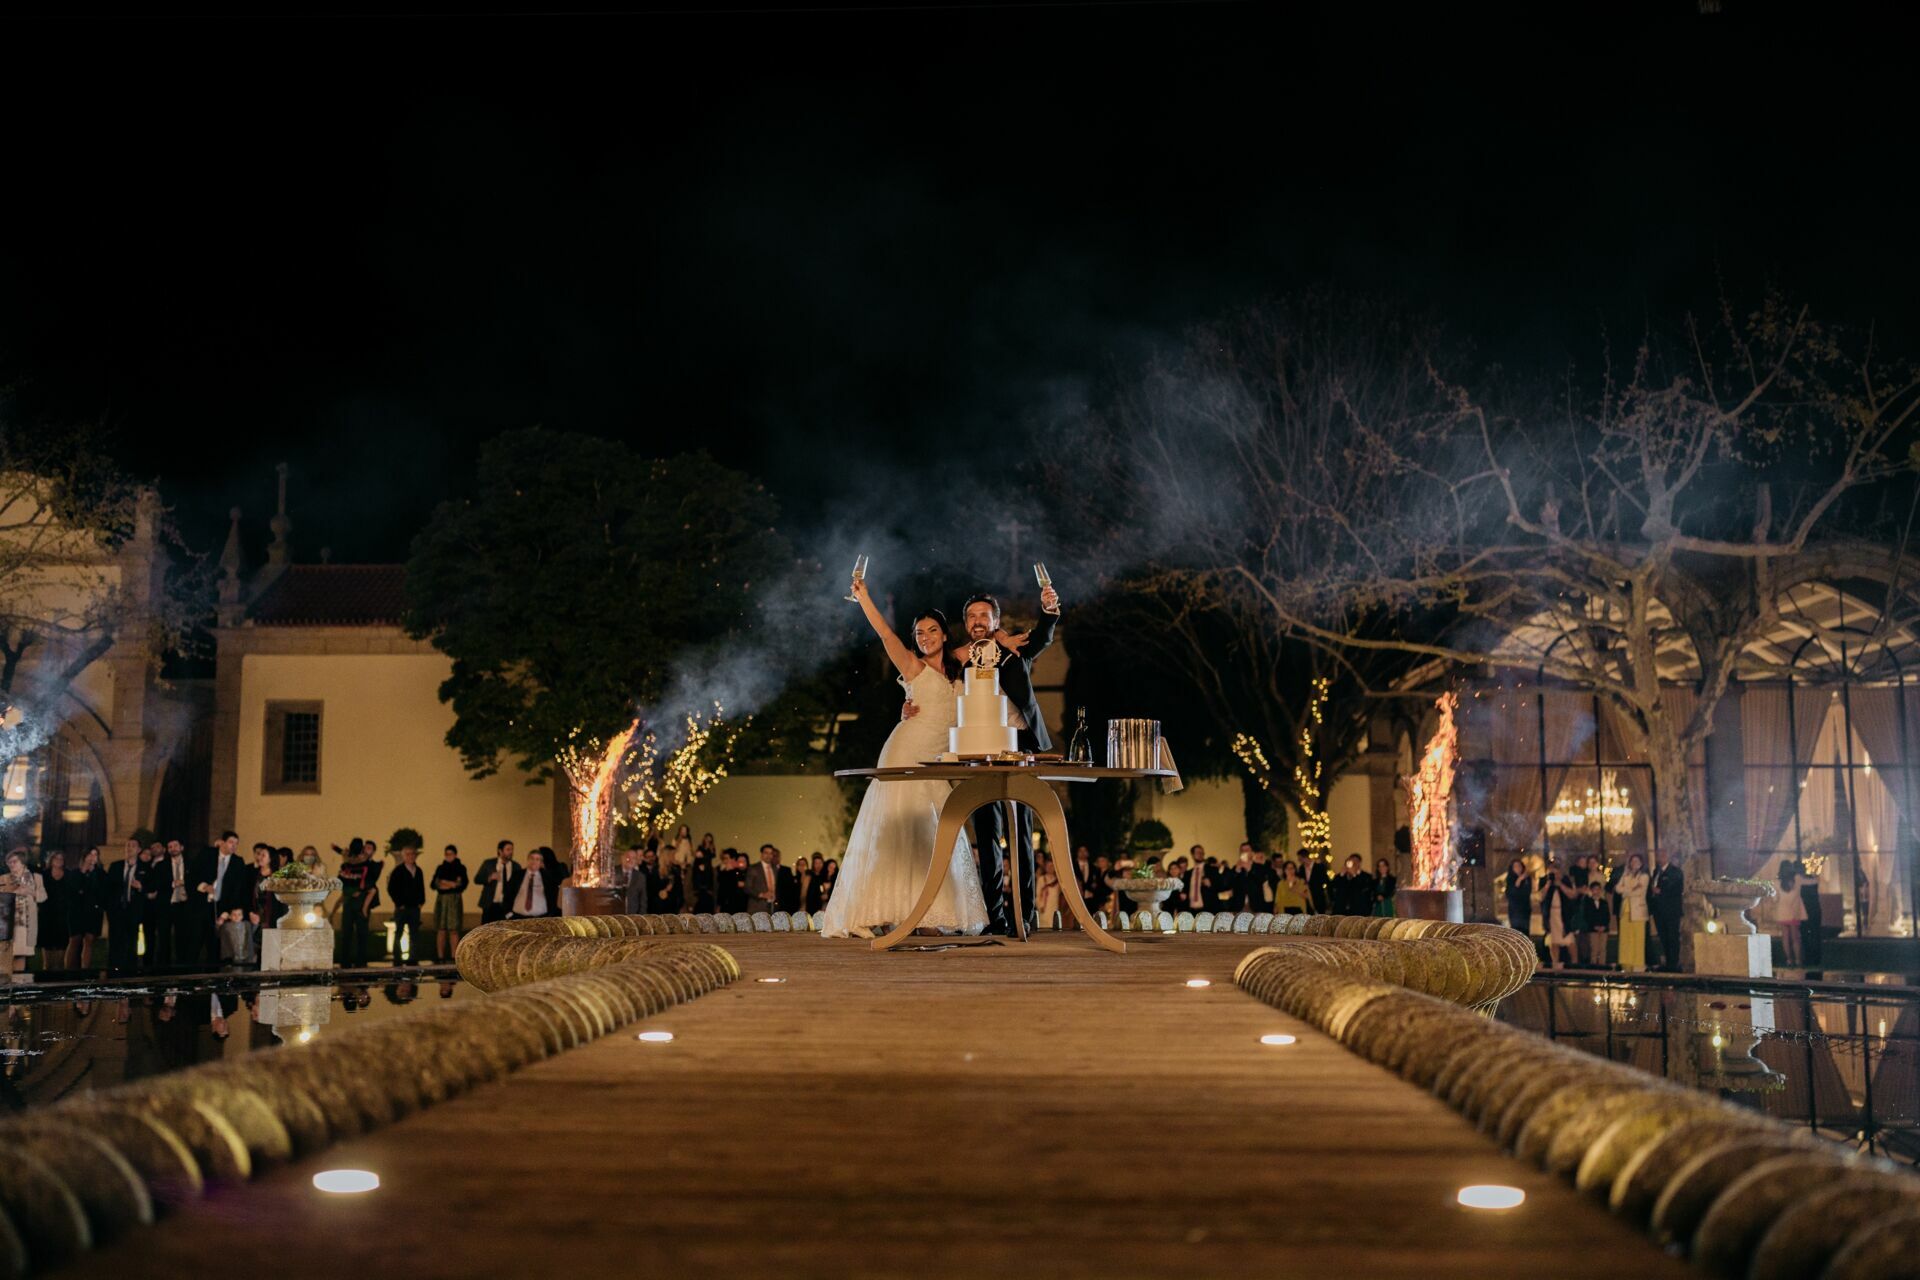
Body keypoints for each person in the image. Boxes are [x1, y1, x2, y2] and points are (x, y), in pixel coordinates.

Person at [823, 582, 989, 939]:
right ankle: (883, 911)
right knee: (898, 832)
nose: (926, 637)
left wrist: (1009, 637)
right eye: (919, 633)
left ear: (945, 634)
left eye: (932, 631)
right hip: (906, 751)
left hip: (937, 760)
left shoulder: (958, 663)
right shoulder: (913, 666)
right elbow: (884, 634)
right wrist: (864, 597)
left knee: (934, 834)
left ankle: (928, 913)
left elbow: (989, 641)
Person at [904, 585, 1059, 937]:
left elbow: (1043, 638)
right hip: (977, 748)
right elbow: (926, 680)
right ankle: (995, 915)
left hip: (1019, 745)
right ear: (965, 622)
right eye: (971, 616)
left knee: (1020, 830)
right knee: (988, 832)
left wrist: (1049, 611)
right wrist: (908, 704)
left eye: (984, 616)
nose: (977, 621)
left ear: (996, 620)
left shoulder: (1013, 649)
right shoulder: (959, 660)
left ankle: (1025, 914)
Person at [335, 839, 382, 966]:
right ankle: (346, 961)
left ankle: (360, 961)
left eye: (368, 848)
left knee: (360, 932)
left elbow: (370, 881)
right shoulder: (350, 865)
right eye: (364, 848)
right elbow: (342, 880)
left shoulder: (371, 865)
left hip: (360, 900)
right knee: (348, 932)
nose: (365, 851)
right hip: (352, 901)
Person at [105, 838, 146, 972]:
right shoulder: (115, 866)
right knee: (115, 942)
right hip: (117, 911)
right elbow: (108, 889)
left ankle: (130, 971)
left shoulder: (144, 868)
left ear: (139, 850)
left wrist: (140, 887)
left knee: (132, 942)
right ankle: (113, 971)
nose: (129, 848)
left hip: (133, 911)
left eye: (133, 846)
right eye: (127, 845)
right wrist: (110, 909)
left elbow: (151, 887)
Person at [5, 850, 48, 973]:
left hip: (26, 925)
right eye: (9, 862)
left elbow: (43, 896)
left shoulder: (36, 878)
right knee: (6, 956)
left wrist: (30, 891)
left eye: (14, 861)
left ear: (22, 862)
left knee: (20, 955)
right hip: (8, 924)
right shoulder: (4, 879)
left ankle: (17, 984)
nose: (11, 864)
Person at [65, 846, 107, 970]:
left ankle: (85, 970)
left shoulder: (100, 873)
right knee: (74, 940)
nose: (93, 857)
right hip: (76, 911)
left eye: (95, 854)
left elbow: (102, 891)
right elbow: (72, 891)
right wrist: (83, 871)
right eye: (90, 854)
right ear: (84, 856)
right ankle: (69, 971)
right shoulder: (75, 873)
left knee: (89, 940)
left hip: (93, 911)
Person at [387, 843, 427, 965]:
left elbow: (421, 888)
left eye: (413, 854)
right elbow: (391, 888)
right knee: (398, 932)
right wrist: (399, 903)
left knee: (414, 933)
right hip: (402, 908)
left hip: (415, 908)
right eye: (408, 854)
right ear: (404, 856)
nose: (411, 856)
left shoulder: (418, 871)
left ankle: (413, 959)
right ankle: (397, 958)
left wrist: (421, 902)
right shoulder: (398, 871)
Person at [1649, 849, 1686, 972]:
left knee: (1672, 936)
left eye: (1663, 855)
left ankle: (1673, 963)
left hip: (1671, 911)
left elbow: (1677, 889)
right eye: (1658, 855)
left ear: (1668, 857)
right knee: (1663, 936)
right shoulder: (1656, 872)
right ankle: (1667, 961)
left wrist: (1661, 891)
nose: (1661, 857)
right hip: (1659, 911)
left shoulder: (1675, 872)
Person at [1613, 853, 1651, 973]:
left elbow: (1639, 891)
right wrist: (1628, 887)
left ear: (1641, 863)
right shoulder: (1626, 875)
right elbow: (1618, 888)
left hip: (1638, 911)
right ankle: (1626, 963)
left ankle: (1638, 964)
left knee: (1638, 938)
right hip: (1625, 911)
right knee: (1626, 938)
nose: (1635, 863)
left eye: (1637, 861)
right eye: (1632, 861)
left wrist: (1626, 891)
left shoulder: (1644, 876)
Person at [432, 844, 469, 962]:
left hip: (454, 900)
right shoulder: (440, 867)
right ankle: (440, 957)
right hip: (442, 901)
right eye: (446, 854)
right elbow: (434, 884)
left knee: (454, 929)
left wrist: (445, 883)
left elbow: (462, 884)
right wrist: (450, 884)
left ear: (455, 854)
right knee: (441, 929)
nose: (448, 856)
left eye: (450, 854)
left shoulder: (461, 868)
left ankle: (454, 957)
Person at [1539, 866, 1577, 969]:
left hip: (1564, 915)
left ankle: (1574, 964)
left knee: (1570, 941)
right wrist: (1548, 884)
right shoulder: (1545, 882)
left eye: (1556, 873)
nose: (1554, 875)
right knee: (1554, 941)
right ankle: (1555, 964)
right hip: (1552, 915)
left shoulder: (1565, 881)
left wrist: (1560, 884)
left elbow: (1572, 895)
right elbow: (1540, 897)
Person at [476, 841, 522, 925]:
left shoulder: (516, 866)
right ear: (500, 851)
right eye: (508, 849)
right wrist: (489, 878)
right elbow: (477, 879)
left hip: (507, 906)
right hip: (490, 904)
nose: (511, 852)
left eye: (512, 849)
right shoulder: (489, 864)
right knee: (487, 931)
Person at [39, 851, 70, 971]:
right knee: (47, 954)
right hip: (47, 916)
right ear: (51, 860)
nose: (59, 860)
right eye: (56, 858)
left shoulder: (68, 874)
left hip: (63, 917)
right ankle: (46, 976)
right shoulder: (44, 875)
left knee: (60, 953)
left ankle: (58, 977)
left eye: (61, 858)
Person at [1776, 857, 1808, 967]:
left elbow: (1775, 899)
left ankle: (1789, 960)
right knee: (1795, 938)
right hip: (1794, 913)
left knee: (1785, 937)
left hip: (1782, 913)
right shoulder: (1797, 880)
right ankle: (1798, 960)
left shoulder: (1777, 883)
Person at [508, 849, 559, 918]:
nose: (534, 861)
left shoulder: (547, 877)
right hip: (517, 917)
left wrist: (550, 915)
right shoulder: (517, 875)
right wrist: (508, 914)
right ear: (528, 860)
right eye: (532, 858)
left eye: (537, 859)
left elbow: (553, 896)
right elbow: (508, 893)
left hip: (540, 918)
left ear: (541, 863)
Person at [1576, 877, 1611, 968]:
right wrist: (1594, 926)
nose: (1597, 891)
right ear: (1591, 890)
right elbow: (1587, 916)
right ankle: (1593, 966)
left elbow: (1607, 916)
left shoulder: (1604, 902)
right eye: (1595, 889)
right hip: (1592, 929)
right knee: (1594, 948)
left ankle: (1602, 965)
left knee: (1603, 948)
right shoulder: (1588, 902)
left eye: (1598, 889)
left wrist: (1604, 926)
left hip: (1604, 929)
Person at [1502, 858, 1534, 935]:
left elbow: (1527, 892)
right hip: (1515, 910)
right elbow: (1510, 894)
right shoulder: (1510, 879)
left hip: (1525, 910)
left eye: (1519, 866)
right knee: (1516, 933)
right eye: (1515, 867)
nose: (1518, 868)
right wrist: (1519, 880)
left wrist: (1523, 880)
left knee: (1525, 933)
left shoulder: (1527, 879)